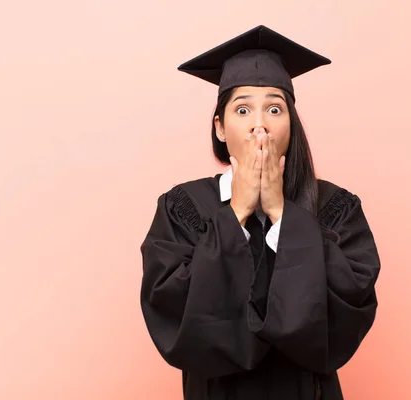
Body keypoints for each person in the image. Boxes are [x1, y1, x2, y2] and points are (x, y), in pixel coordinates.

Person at [140, 25, 381, 400]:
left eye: (274, 108)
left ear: (291, 124)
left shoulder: (334, 207)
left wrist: (282, 215)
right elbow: (173, 312)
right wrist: (236, 211)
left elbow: (348, 310)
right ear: (220, 127)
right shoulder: (183, 208)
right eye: (241, 109)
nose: (259, 124)